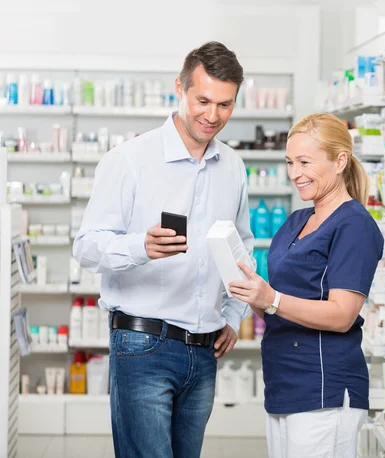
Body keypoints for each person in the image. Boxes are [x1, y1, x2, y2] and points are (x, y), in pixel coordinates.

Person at [72, 41, 253, 458]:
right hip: (143, 346)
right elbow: (86, 247)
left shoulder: (233, 166)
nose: (212, 115)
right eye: (203, 100)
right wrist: (141, 246)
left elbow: (242, 246)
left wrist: (231, 314)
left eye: (225, 105)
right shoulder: (130, 159)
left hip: (204, 348)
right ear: (180, 88)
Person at [229, 113, 385, 458]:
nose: (294, 173)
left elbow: (342, 314)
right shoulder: (298, 220)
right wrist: (251, 291)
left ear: (340, 161)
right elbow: (277, 304)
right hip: (285, 384)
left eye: (304, 162)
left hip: (324, 390)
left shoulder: (354, 225)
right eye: (289, 162)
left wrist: (271, 298)